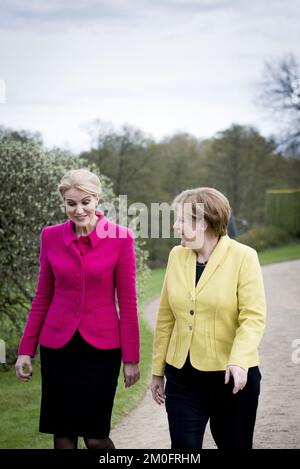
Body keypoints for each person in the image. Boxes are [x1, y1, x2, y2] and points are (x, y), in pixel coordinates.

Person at [15, 168, 140, 449]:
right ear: (64, 203)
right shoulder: (50, 236)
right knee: (63, 436)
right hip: (58, 348)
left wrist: (131, 358)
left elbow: (129, 303)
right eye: (71, 203)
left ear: (97, 200)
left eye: (85, 202)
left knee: (95, 438)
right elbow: (41, 297)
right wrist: (26, 350)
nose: (79, 209)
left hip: (102, 350)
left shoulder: (121, 238)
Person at [151, 187, 266, 449]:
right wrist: (158, 371)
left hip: (232, 379)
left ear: (202, 223)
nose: (175, 225)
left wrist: (239, 360)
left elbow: (253, 317)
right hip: (183, 379)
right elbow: (166, 317)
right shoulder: (176, 256)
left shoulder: (244, 257)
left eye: (181, 220)